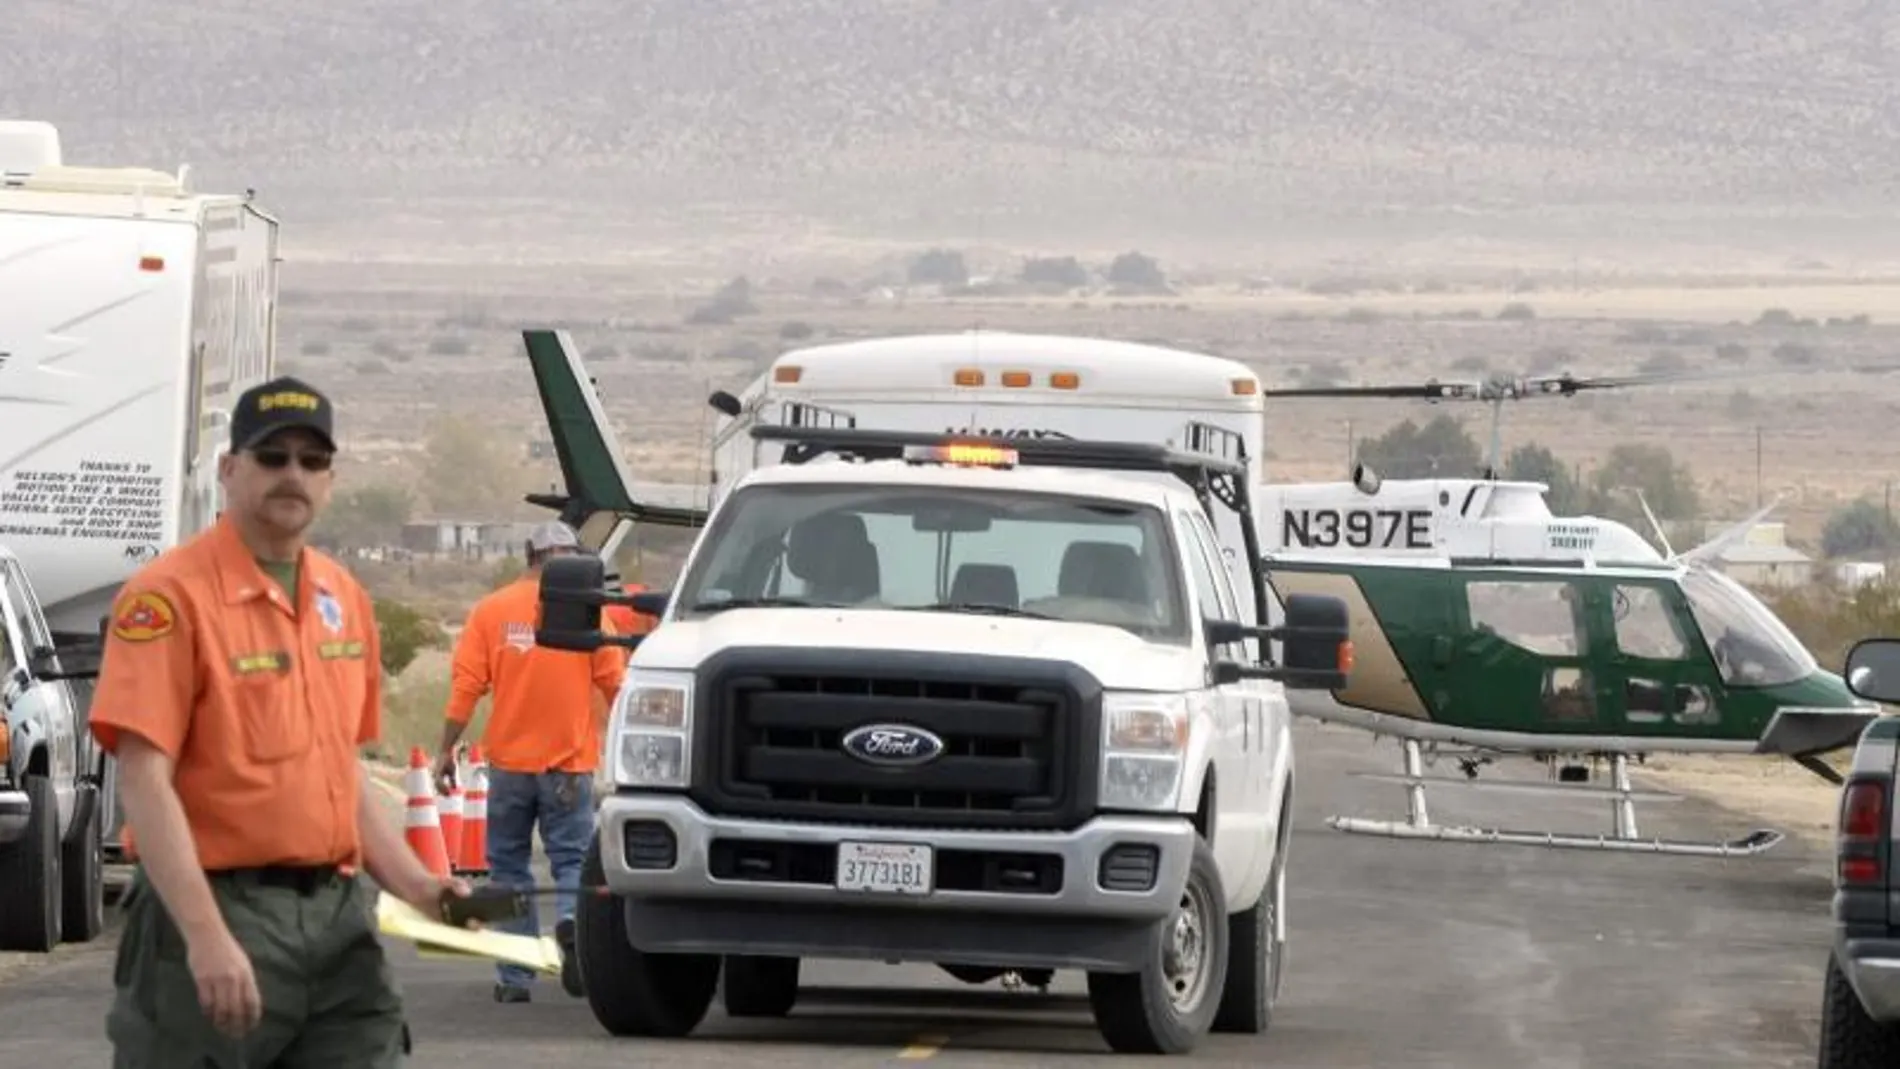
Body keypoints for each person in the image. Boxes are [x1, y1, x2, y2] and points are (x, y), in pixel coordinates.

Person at [90, 375, 469, 1067]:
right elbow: (145, 778)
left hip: (337, 919)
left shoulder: (343, 597)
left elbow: (337, 775)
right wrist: (205, 936)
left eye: (312, 459)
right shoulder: (169, 598)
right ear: (230, 469)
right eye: (273, 455)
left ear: (330, 479)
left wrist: (419, 885)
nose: (293, 473)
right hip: (216, 907)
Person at [435, 520, 628, 1003]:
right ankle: (571, 931)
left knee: (507, 869)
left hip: (510, 767)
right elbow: (617, 684)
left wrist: (445, 750)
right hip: (569, 764)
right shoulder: (589, 611)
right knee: (570, 862)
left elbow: (465, 691)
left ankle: (516, 977)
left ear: (529, 554)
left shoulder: (491, 611)